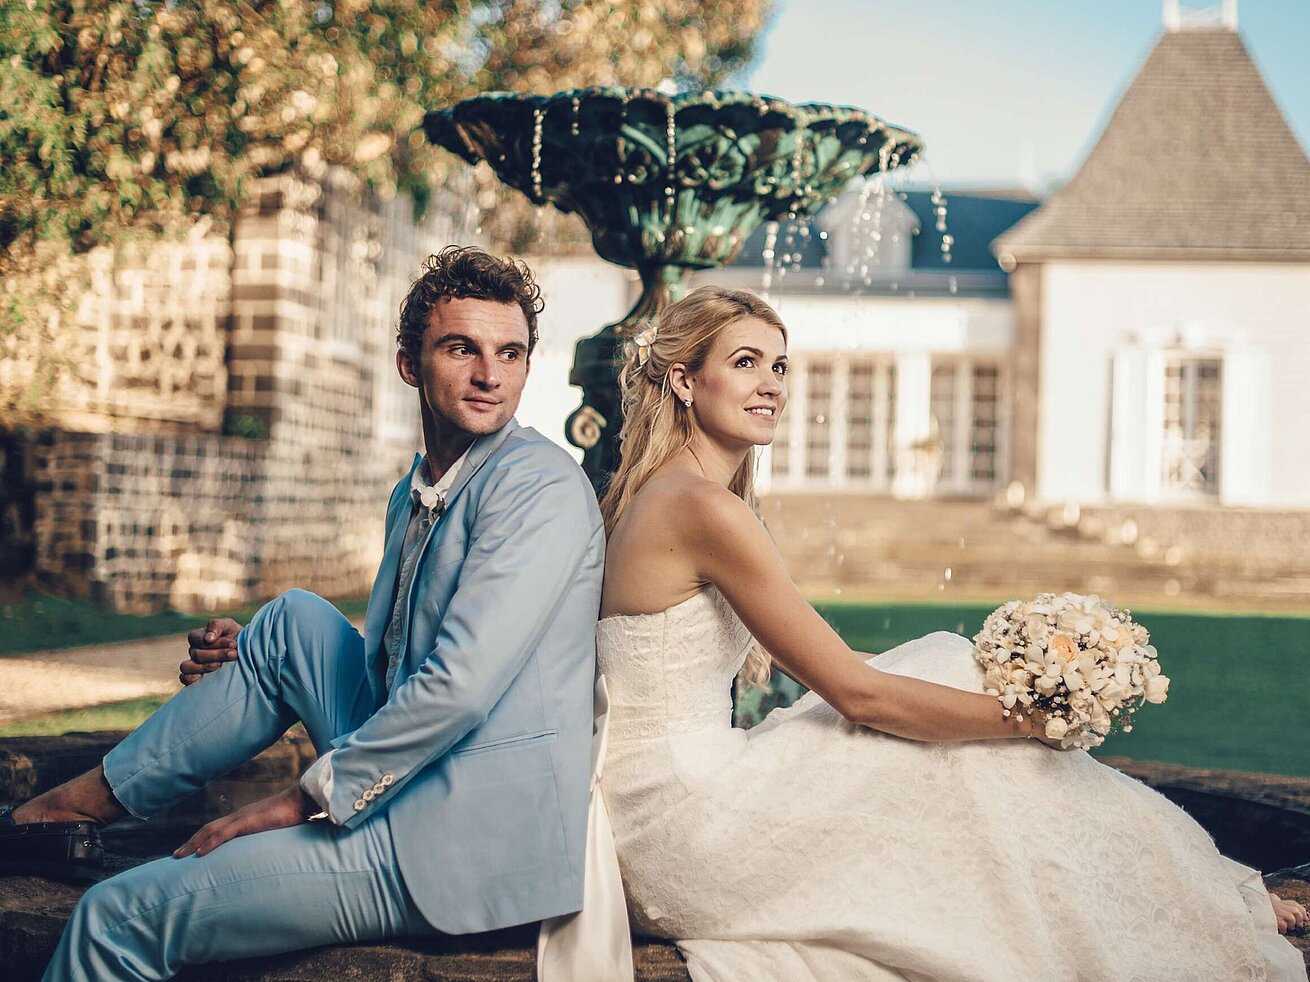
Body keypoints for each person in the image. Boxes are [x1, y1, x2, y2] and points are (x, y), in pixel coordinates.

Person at [592, 285, 1307, 981]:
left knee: (945, 672)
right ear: (685, 381)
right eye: (745, 362)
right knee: (966, 720)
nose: (772, 384)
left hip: (652, 809)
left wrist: (1006, 694)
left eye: (779, 366)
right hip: (684, 824)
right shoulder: (703, 509)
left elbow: (832, 664)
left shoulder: (665, 493)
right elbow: (857, 695)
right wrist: (1026, 721)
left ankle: (1191, 896)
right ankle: (1198, 903)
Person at [0, 246, 604, 981]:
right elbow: (398, 660)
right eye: (461, 348)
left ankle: (86, 843)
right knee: (288, 622)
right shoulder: (418, 488)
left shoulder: (538, 485)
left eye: (509, 353)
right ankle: (80, 805)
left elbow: (460, 686)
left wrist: (298, 800)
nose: (489, 375)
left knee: (114, 917)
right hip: (416, 778)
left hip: (456, 836)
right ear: (410, 365)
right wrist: (254, 656)